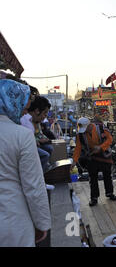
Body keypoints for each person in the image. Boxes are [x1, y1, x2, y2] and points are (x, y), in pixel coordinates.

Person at [0, 79, 51, 246]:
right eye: (24, 106)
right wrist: (42, 223)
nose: (26, 112)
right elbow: (34, 186)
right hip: (12, 222)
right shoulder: (21, 135)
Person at [73, 114, 116, 206]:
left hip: (105, 154)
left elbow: (110, 139)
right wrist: (74, 161)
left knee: (107, 175)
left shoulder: (100, 128)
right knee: (92, 177)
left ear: (90, 125)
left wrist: (100, 147)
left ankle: (109, 193)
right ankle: (94, 197)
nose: (84, 132)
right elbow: (78, 147)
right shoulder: (80, 134)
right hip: (92, 156)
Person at [22, 96, 53, 172]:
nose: (44, 117)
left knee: (49, 148)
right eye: (44, 113)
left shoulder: (34, 121)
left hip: (31, 146)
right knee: (45, 155)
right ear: (37, 111)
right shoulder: (26, 121)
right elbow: (28, 142)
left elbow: (39, 135)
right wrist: (38, 141)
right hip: (25, 149)